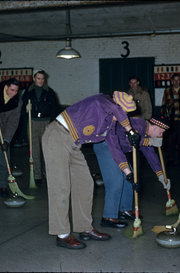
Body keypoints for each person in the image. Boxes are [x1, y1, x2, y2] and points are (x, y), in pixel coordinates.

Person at [41, 91, 141, 249]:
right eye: (122, 113)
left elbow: (115, 149)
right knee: (60, 187)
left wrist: (129, 175)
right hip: (57, 135)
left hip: (74, 144)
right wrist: (129, 130)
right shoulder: (100, 101)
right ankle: (62, 235)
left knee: (86, 183)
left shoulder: (109, 122)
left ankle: (84, 228)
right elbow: (115, 109)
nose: (119, 119)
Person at [94, 115, 171, 228]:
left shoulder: (146, 133)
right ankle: (108, 217)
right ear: (154, 127)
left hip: (118, 151)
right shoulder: (136, 124)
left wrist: (160, 175)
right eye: (161, 132)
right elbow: (120, 138)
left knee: (131, 178)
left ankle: (124, 210)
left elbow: (151, 155)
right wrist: (147, 142)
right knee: (116, 181)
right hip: (106, 146)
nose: (161, 135)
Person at [22, 69, 61, 185]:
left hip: (46, 123)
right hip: (32, 122)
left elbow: (55, 109)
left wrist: (53, 124)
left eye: (42, 78)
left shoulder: (50, 92)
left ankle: (48, 174)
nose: (40, 81)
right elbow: (21, 108)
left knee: (47, 150)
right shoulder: (28, 92)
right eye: (38, 78)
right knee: (35, 151)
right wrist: (26, 109)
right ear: (34, 79)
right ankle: (37, 176)